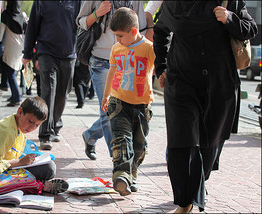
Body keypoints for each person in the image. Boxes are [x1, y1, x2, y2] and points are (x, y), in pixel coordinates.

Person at [153, 1, 257, 213]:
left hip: (219, 85)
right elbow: (160, 29)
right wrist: (161, 66)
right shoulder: (173, 4)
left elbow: (250, 28)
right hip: (181, 81)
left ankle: (197, 186)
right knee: (181, 141)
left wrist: (229, 18)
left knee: (209, 145)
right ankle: (185, 203)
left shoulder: (228, 1)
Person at [76, 0, 147, 160]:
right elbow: (80, 22)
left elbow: (140, 28)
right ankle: (119, 163)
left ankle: (90, 135)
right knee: (108, 111)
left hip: (126, 62)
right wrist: (97, 13)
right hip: (100, 60)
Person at [101, 7, 155, 196]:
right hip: (119, 102)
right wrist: (106, 95)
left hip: (142, 106)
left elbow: (160, 68)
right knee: (122, 139)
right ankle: (121, 176)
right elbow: (111, 72)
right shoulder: (117, 48)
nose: (117, 40)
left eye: (120, 35)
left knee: (139, 145)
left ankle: (131, 174)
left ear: (133, 32)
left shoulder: (148, 48)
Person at [0, 97, 69, 194]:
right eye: (30, 122)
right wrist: (20, 162)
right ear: (20, 112)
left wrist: (27, 160)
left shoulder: (18, 127)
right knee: (49, 168)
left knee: (48, 167)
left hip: (7, 168)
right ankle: (40, 185)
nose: (32, 127)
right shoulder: (5, 131)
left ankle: (33, 183)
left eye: (37, 125)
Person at [22, 1, 81, 150]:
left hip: (69, 54)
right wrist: (27, 53)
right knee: (48, 91)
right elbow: (32, 27)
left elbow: (83, 22)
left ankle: (55, 125)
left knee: (63, 93)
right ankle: (45, 134)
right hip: (46, 51)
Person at [0, 1, 26, 107]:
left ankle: (16, 97)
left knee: (11, 74)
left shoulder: (6, 15)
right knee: (13, 71)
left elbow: (0, 33)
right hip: (21, 47)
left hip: (11, 47)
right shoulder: (21, 16)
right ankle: (14, 95)